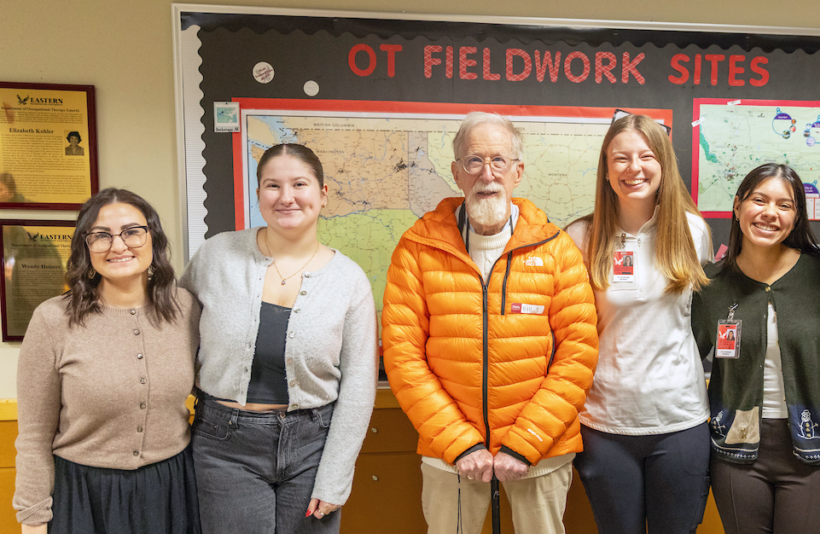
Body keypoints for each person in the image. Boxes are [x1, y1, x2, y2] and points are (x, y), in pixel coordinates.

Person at [382, 112, 599, 534]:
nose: (487, 174)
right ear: (456, 173)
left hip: (541, 453)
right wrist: (461, 443)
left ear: (517, 172)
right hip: (450, 457)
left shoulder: (557, 251)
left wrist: (525, 443)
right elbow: (402, 356)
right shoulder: (417, 248)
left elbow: (577, 356)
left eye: (499, 161)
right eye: (473, 161)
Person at [179, 143, 378, 533]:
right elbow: (175, 339)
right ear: (258, 195)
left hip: (313, 447)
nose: (286, 197)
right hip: (224, 446)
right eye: (272, 185)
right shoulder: (216, 256)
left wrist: (336, 475)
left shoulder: (349, 280)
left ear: (322, 194)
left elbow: (358, 383)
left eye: (299, 184)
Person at [13, 188, 201, 533]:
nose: (118, 245)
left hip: (172, 492)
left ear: (153, 238)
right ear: (86, 248)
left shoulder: (186, 308)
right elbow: (34, 435)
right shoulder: (53, 320)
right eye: (101, 236)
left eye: (132, 231)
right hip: (85, 497)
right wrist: (33, 519)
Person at [565, 113, 712, 534]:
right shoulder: (580, 237)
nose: (634, 168)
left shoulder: (692, 231)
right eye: (621, 158)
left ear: (663, 163)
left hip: (678, 421)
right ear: (606, 169)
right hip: (604, 423)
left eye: (646, 156)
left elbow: (700, 317)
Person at [691, 163, 820, 534]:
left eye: (784, 205)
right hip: (736, 450)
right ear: (737, 205)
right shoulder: (709, 284)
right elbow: (682, 361)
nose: (769, 213)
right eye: (759, 200)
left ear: (796, 218)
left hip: (818, 450)